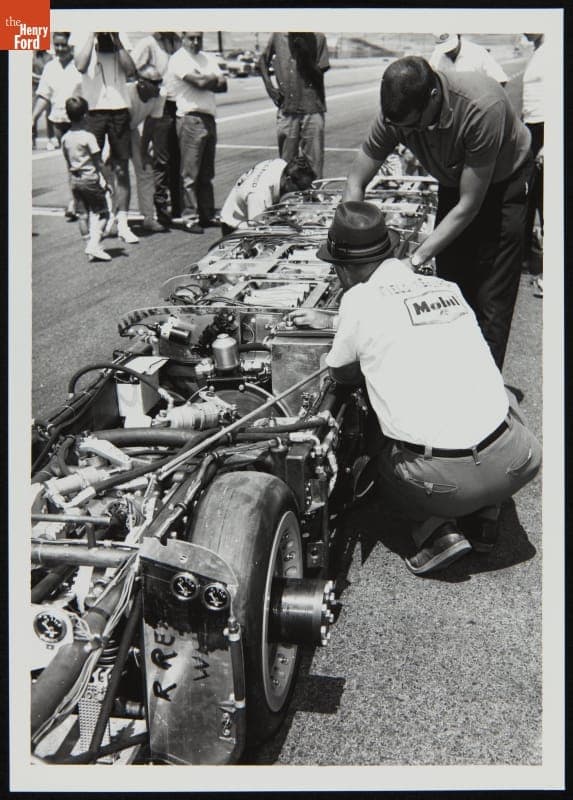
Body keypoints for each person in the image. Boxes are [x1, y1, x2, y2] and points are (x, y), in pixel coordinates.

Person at [292, 202, 541, 575]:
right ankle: (487, 515)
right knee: (496, 394)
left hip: (445, 484)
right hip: (520, 461)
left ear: (343, 268)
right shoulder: (446, 287)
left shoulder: (357, 299)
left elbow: (342, 374)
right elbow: (411, 327)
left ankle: (436, 532)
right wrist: (337, 322)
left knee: (376, 447)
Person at [342, 56, 532, 371]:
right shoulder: (397, 116)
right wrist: (351, 247)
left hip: (504, 184)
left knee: (490, 296)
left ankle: (483, 395)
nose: (409, 133)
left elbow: (470, 205)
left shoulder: (482, 107)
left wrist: (413, 260)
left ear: (433, 97)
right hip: (455, 179)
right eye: (400, 128)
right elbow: (355, 180)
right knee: (450, 288)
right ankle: (451, 378)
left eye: (415, 125)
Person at [73, 32, 139, 244]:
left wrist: (116, 39)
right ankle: (97, 223)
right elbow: (81, 65)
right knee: (91, 168)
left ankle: (123, 223)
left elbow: (130, 71)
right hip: (93, 110)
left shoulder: (119, 34)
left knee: (121, 168)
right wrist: (92, 33)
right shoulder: (82, 33)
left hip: (119, 108)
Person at [168, 31, 227, 233]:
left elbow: (223, 85)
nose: (195, 42)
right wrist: (210, 79)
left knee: (207, 173)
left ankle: (207, 214)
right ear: (183, 37)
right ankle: (190, 217)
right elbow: (201, 83)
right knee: (190, 173)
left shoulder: (207, 58)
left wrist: (205, 79)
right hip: (190, 118)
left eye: (199, 38)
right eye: (191, 38)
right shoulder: (178, 59)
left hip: (209, 117)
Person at [258, 32, 330, 179]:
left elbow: (318, 75)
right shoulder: (278, 36)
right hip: (287, 109)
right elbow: (261, 61)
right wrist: (270, 88)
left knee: (314, 165)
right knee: (286, 166)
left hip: (312, 109)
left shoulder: (318, 38)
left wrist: (305, 55)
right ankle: (289, 199)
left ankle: (314, 199)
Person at [132, 32, 182, 227]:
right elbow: (133, 67)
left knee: (177, 158)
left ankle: (178, 205)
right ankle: (161, 207)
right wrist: (150, 79)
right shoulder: (148, 43)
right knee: (161, 160)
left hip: (174, 102)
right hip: (152, 100)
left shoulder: (176, 40)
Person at [32, 32, 82, 219]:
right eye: (57, 45)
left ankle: (83, 202)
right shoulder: (50, 67)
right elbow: (44, 95)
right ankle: (75, 201)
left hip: (80, 121)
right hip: (59, 122)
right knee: (71, 165)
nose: (60, 49)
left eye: (64, 45)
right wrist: (32, 118)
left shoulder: (80, 65)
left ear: (72, 45)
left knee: (83, 163)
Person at [61, 96, 111, 263]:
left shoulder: (65, 138)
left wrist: (70, 186)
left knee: (83, 214)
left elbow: (68, 164)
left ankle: (89, 244)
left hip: (75, 180)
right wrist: (108, 181)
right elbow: (99, 162)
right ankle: (94, 244)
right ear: (85, 115)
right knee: (103, 213)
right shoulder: (88, 137)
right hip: (90, 179)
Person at [219, 155, 316, 235]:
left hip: (256, 210)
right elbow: (259, 230)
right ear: (288, 180)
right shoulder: (259, 195)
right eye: (301, 188)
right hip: (237, 227)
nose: (303, 192)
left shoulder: (280, 163)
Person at [125, 66, 169, 233]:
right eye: (154, 82)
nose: (158, 86)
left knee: (146, 170)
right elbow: (119, 124)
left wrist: (143, 153)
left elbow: (150, 124)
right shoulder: (127, 92)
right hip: (115, 131)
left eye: (160, 82)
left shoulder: (160, 95)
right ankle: (112, 219)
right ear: (141, 82)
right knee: (112, 173)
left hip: (132, 129)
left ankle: (148, 218)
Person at [522, 33, 545, 298]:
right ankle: (526, 257)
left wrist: (551, 142)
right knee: (527, 193)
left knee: (547, 202)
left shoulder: (554, 46)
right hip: (532, 127)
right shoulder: (537, 50)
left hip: (548, 129)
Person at [429, 33, 508, 86]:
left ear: (459, 37)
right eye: (445, 50)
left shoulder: (478, 52)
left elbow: (501, 79)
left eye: (451, 49)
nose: (448, 52)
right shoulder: (436, 56)